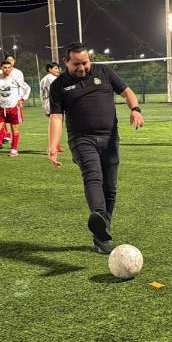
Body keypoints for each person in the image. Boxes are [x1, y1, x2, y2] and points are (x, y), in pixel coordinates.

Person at [48, 42, 144, 255]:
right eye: (76, 64)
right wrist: (52, 145)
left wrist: (135, 109)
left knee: (110, 188)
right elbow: (56, 117)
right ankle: (98, 218)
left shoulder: (104, 71)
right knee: (93, 176)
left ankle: (102, 235)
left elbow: (127, 92)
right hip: (82, 139)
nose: (82, 68)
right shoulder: (58, 86)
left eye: (85, 63)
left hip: (110, 138)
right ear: (66, 62)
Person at [0, 60, 31, 158]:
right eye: (5, 67)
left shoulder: (15, 77)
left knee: (15, 129)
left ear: (11, 68)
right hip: (1, 108)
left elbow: (27, 88)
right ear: (1, 68)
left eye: (9, 67)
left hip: (13, 107)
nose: (7, 69)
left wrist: (22, 99)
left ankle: (14, 150)